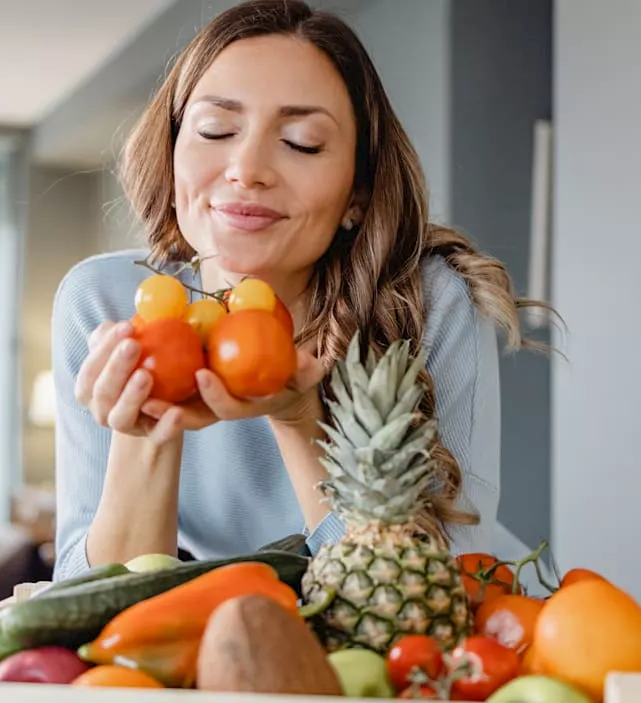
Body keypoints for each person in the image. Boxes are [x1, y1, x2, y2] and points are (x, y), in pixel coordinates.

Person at [49, 0, 538, 581]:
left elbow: (446, 580)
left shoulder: (429, 301)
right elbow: (88, 607)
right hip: (250, 638)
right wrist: (148, 428)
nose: (246, 167)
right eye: (215, 129)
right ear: (173, 149)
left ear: (358, 193)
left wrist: (298, 417)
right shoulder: (102, 301)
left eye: (303, 142)